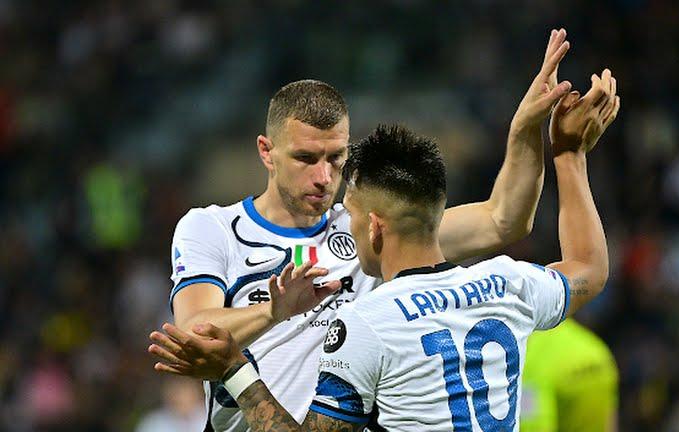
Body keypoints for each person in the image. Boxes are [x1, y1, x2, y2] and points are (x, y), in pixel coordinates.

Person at [149, 69, 620, 431]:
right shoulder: (212, 227)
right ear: (266, 152)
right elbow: (194, 334)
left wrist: (524, 133)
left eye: (336, 158)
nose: (324, 176)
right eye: (306, 158)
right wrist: (275, 311)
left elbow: (504, 218)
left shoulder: (368, 228)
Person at [520, 319, 619, 432]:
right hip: (600, 362)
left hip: (546, 374)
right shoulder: (592, 346)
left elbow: (533, 426)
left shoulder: (527, 352)